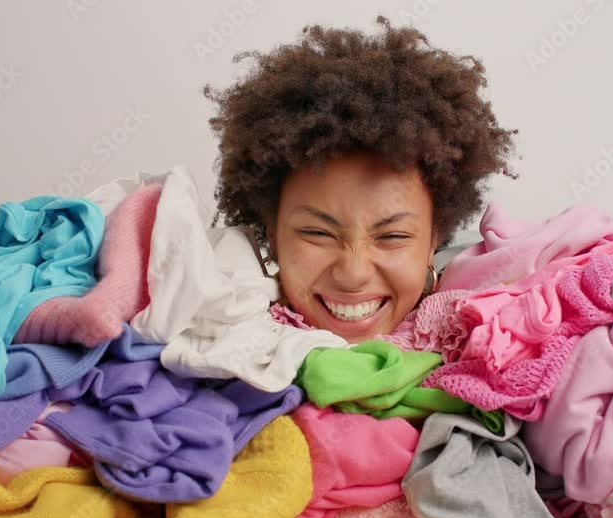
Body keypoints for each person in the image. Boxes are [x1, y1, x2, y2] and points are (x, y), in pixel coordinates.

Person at [206, 16, 517, 343]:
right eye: (318, 233)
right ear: (274, 236)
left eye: (392, 236)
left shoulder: (486, 342)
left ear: (432, 244)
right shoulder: (210, 341)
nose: (353, 275)